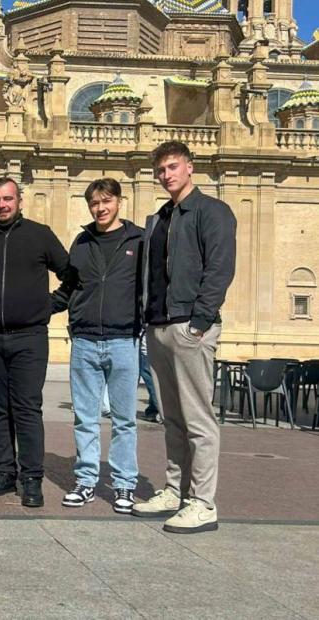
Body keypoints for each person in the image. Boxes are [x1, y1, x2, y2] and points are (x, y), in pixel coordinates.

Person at [131, 141, 236, 533]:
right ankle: (176, 491)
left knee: (198, 418)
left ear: (190, 167)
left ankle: (203, 502)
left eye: (172, 167)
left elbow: (220, 269)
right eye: (160, 170)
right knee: (172, 418)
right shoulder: (159, 218)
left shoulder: (212, 211)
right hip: (158, 326)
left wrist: (200, 321)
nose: (166, 175)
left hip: (190, 326)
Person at [0, 176, 71, 508]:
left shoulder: (40, 235)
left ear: (19, 201)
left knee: (27, 408)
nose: (1, 205)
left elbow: (72, 275)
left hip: (29, 337)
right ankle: (4, 473)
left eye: (7, 199)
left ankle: (32, 478)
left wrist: (49, 306)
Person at [52, 178, 143, 514]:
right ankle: (86, 481)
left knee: (124, 420)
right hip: (85, 340)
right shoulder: (82, 241)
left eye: (106, 201)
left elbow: (151, 288)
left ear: (119, 201)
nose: (100, 208)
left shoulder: (139, 241)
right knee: (85, 418)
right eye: (94, 203)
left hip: (123, 339)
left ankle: (124, 484)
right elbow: (68, 289)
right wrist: (33, 308)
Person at [139, 334, 161, 422]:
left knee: (153, 383)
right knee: (154, 382)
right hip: (150, 350)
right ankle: (153, 410)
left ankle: (159, 410)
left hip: (148, 352)